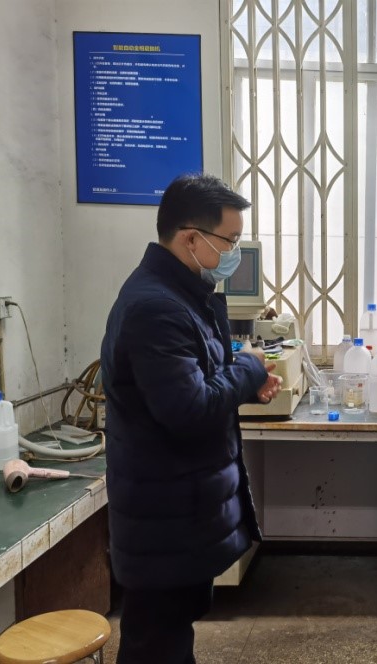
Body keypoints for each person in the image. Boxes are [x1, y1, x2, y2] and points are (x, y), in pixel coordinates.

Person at [101, 173, 282, 664]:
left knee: (170, 636)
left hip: (178, 512)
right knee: (156, 643)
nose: (234, 253)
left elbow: (195, 382)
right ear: (191, 239)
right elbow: (189, 408)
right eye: (230, 241)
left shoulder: (182, 296)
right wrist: (250, 367)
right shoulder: (155, 308)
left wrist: (245, 385)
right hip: (163, 520)